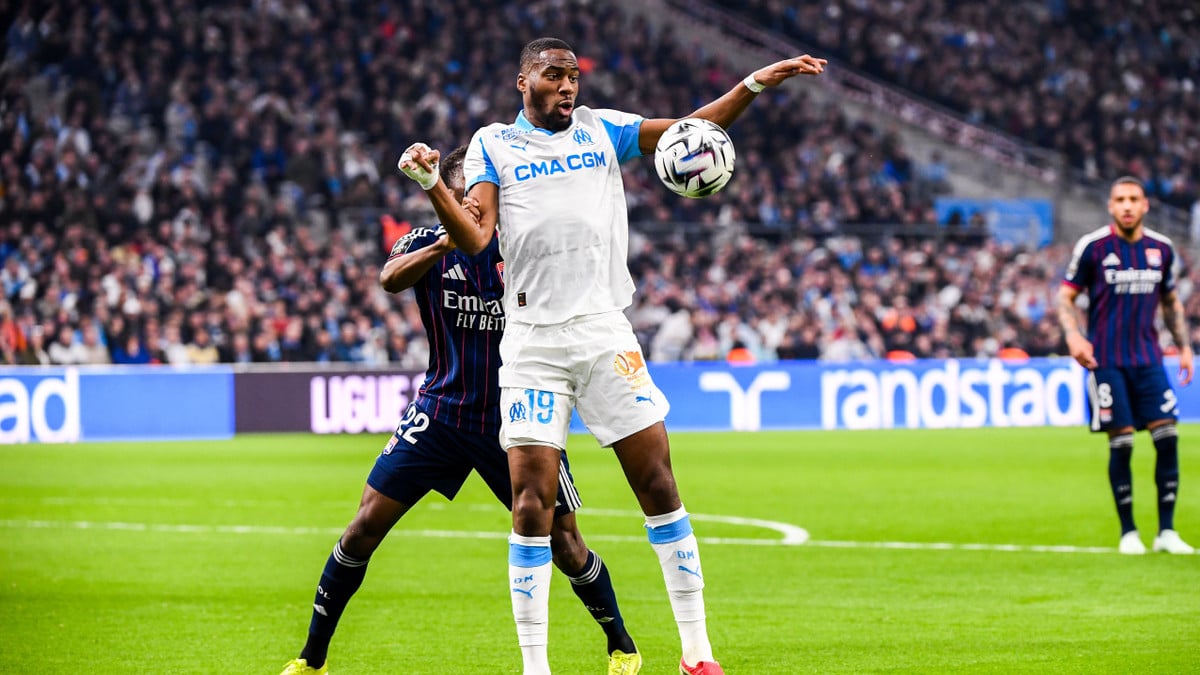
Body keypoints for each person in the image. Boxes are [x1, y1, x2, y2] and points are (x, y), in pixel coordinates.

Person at [399, 37, 826, 675]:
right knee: (532, 505)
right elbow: (477, 236)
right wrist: (435, 183)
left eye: (574, 76)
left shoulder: (602, 129)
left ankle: (697, 654)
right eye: (553, 75)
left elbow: (689, 132)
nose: (568, 86)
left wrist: (755, 83)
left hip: (604, 332)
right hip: (533, 342)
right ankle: (536, 667)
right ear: (524, 81)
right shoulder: (493, 143)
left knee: (659, 485)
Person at [281, 147, 642, 675]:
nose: (475, 204)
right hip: (440, 412)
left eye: (481, 194)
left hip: (516, 415)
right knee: (361, 529)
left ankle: (622, 645)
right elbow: (389, 279)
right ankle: (312, 660)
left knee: (566, 544)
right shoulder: (425, 242)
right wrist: (443, 245)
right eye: (463, 195)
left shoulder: (524, 247)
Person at [1057, 176, 1194, 555]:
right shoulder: (1093, 247)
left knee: (1168, 438)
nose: (1128, 205)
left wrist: (1184, 347)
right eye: (1121, 199)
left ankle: (1166, 531)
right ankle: (1128, 532)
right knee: (1123, 443)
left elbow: (1170, 301)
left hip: (1148, 359)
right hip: (1107, 360)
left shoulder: (1161, 249)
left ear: (1145, 205)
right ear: (1111, 206)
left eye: (1134, 199)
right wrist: (1073, 337)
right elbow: (1066, 297)